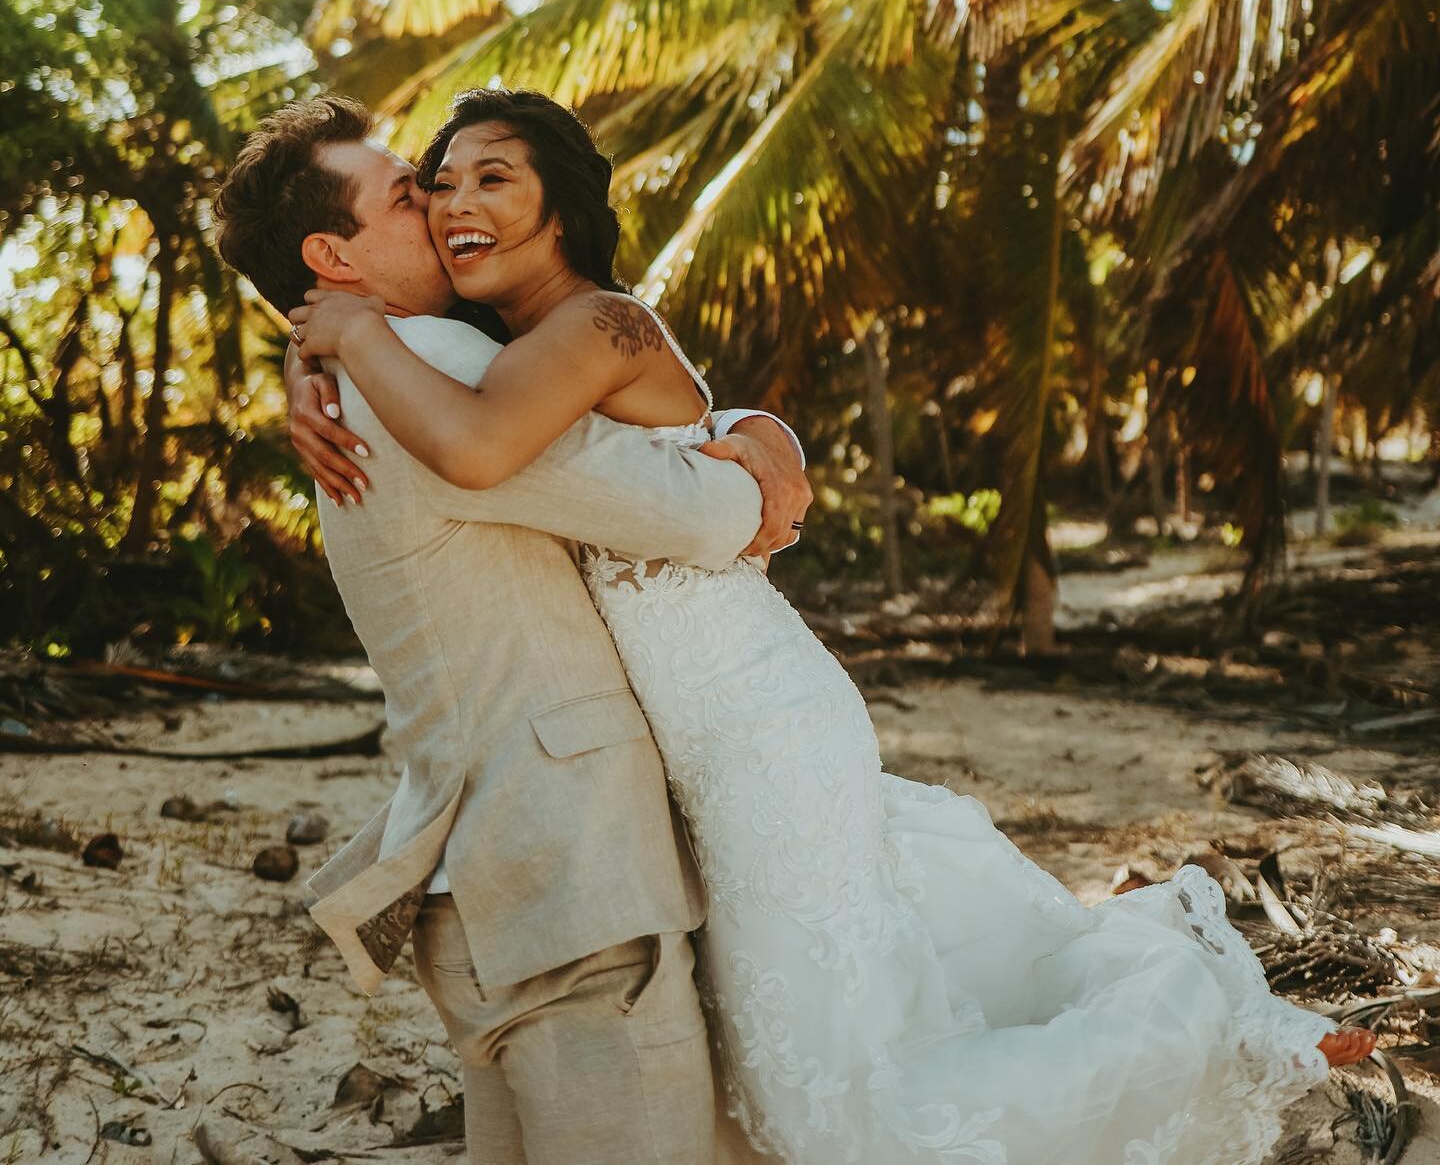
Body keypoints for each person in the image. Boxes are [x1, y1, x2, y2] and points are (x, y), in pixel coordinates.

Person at [292, 85, 1378, 1165]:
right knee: (829, 1033)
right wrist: (311, 354)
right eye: (435, 186)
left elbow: (481, 441)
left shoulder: (590, 321)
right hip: (695, 749)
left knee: (850, 1086)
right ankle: (1239, 1030)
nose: (452, 204)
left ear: (562, 209)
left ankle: (1214, 1040)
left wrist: (343, 328)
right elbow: (533, 399)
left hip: (756, 725)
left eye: (493, 177)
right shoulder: (500, 341)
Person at [213, 93, 810, 1165]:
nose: (443, 208)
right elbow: (701, 511)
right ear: (329, 253)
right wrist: (758, 455)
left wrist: (750, 424)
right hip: (569, 885)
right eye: (413, 193)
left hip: (480, 889)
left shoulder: (361, 378)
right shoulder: (431, 371)